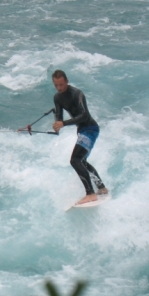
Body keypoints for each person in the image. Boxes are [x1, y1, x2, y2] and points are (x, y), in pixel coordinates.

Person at [49, 69, 108, 206]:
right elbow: (59, 116)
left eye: (62, 85)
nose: (59, 88)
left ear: (67, 82)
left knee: (75, 160)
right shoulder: (57, 97)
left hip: (91, 129)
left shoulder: (77, 94)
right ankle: (101, 188)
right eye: (56, 85)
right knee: (82, 161)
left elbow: (84, 115)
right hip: (82, 130)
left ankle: (90, 193)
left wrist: (64, 123)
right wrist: (57, 124)